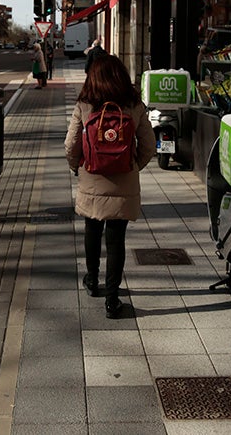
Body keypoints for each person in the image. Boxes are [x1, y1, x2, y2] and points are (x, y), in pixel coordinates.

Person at [64, 54, 155, 318]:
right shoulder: (133, 104)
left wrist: (76, 167)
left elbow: (71, 144)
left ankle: (92, 280)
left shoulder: (85, 103)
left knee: (92, 231)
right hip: (124, 181)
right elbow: (149, 144)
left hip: (91, 177)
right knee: (116, 241)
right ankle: (112, 300)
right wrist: (133, 165)